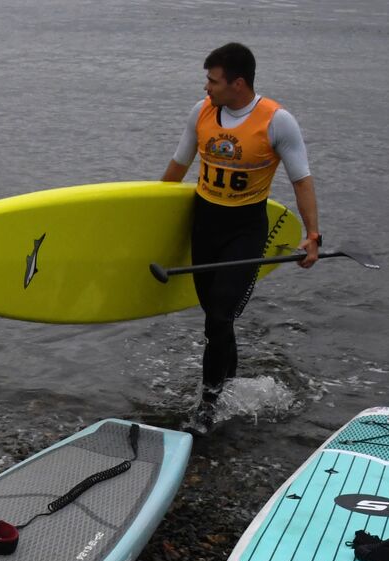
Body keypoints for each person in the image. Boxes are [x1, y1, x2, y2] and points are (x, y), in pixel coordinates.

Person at [160, 42, 321, 425]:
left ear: (238, 83)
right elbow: (177, 168)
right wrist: (149, 222)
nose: (206, 88)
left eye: (213, 81)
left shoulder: (277, 121)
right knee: (218, 318)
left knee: (218, 317)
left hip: (246, 231)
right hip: (204, 226)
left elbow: (302, 181)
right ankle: (228, 385)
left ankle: (209, 405)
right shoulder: (201, 113)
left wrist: (312, 235)